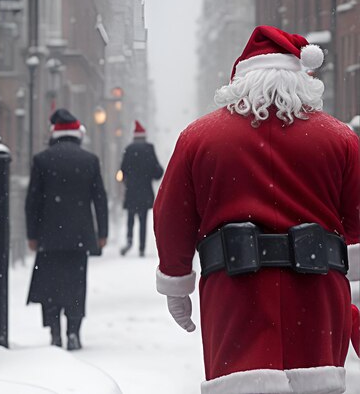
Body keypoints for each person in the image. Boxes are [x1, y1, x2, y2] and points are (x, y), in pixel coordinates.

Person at [153, 26, 360, 394]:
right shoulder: (340, 139)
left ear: (241, 79)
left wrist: (176, 282)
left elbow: (172, 217)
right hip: (317, 295)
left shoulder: (199, 139)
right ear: (302, 79)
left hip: (235, 295)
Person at [25, 108, 108, 351]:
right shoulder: (90, 160)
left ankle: (54, 333)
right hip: (79, 237)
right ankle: (74, 331)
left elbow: (33, 201)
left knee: (50, 284)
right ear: (77, 135)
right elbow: (99, 199)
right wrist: (101, 233)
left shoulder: (42, 160)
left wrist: (32, 234)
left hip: (49, 236)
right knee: (75, 284)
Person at [119, 120, 164, 257]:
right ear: (144, 136)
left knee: (130, 217)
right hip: (145, 190)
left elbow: (122, 170)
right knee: (143, 219)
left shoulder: (129, 148)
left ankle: (129, 240)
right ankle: (141, 247)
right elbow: (158, 171)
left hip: (132, 190)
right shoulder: (149, 148)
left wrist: (128, 180)